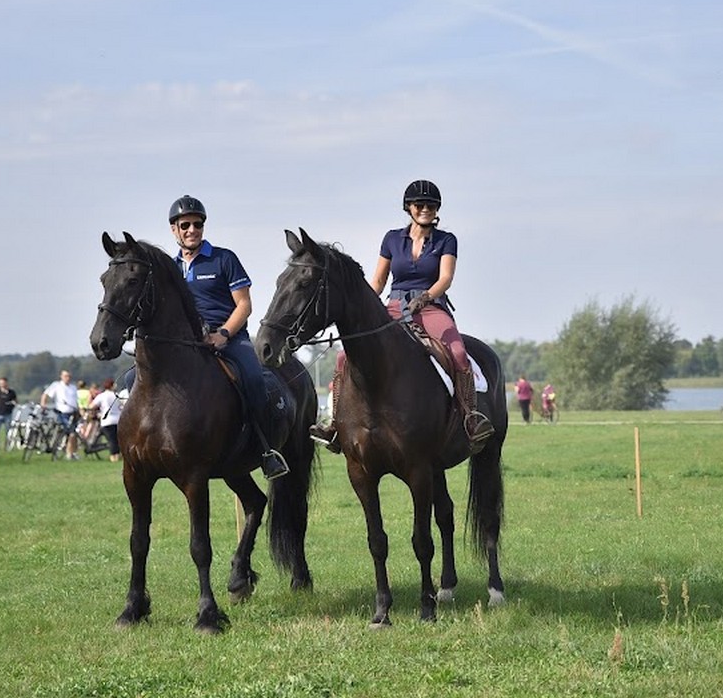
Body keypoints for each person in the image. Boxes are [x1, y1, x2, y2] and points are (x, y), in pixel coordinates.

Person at [311, 179, 494, 454]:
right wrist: (363, 307)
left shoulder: (446, 240)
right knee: (342, 357)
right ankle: (335, 424)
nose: (426, 210)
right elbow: (379, 281)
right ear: (408, 207)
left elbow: (446, 278)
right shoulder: (392, 239)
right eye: (420, 205)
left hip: (430, 306)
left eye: (431, 205)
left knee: (457, 353)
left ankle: (470, 418)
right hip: (394, 305)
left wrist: (427, 297)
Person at [168, 195, 289, 480]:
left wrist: (223, 334)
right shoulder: (170, 268)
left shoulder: (224, 258)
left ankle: (266, 451)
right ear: (174, 229)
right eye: (185, 225)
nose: (192, 230)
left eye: (197, 224)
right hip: (187, 344)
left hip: (230, 338)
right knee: (133, 379)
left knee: (255, 379)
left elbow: (244, 305)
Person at [40, 370, 79, 460]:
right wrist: (43, 405)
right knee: (70, 432)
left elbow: (77, 401)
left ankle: (72, 451)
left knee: (73, 434)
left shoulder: (73, 387)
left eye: (69, 376)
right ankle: (69, 453)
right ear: (61, 376)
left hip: (73, 412)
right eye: (65, 376)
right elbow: (45, 394)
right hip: (62, 413)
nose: (67, 378)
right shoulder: (57, 385)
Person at [89, 377, 122, 462]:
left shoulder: (102, 396)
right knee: (117, 440)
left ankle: (113, 457)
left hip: (107, 420)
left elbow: (92, 406)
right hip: (118, 419)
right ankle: (117, 456)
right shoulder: (116, 395)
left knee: (111, 440)